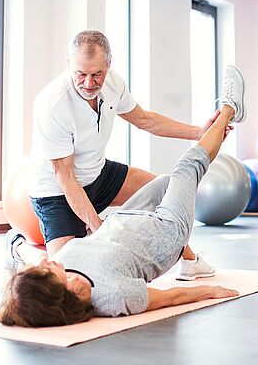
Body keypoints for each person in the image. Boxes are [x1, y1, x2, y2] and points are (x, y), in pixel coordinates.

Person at [0, 66, 246, 327]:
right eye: (47, 271)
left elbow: (145, 119)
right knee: (187, 166)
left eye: (96, 73)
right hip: (167, 233)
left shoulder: (60, 264)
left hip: (123, 220)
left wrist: (18, 248)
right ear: (59, 290)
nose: (48, 262)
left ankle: (14, 246)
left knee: (163, 182)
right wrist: (209, 292)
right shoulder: (115, 296)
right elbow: (170, 298)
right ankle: (230, 108)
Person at [19, 30, 229, 280]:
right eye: (81, 74)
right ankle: (19, 247)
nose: (88, 83)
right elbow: (65, 177)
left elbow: (145, 120)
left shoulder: (113, 84)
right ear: (69, 64)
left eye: (96, 74)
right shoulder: (52, 105)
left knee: (167, 192)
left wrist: (198, 132)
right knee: (70, 275)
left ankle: (189, 260)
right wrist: (99, 230)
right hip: (56, 192)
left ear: (109, 64)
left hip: (97, 173)